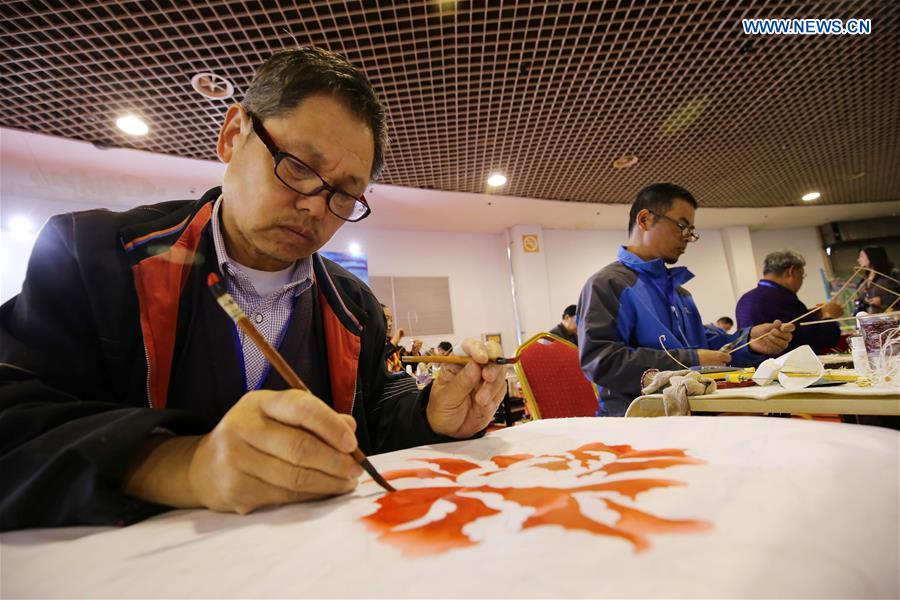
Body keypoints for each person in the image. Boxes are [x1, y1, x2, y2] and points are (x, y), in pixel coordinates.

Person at [0, 47, 508, 531]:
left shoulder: (353, 306)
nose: (314, 206)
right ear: (233, 135)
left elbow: (373, 419)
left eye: (343, 194)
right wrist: (183, 463)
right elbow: (15, 419)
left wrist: (432, 417)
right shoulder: (94, 256)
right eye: (299, 167)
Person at [577, 183, 794, 417]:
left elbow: (704, 345)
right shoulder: (609, 284)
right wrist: (691, 359)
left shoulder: (680, 293)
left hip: (695, 411)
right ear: (645, 220)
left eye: (691, 230)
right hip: (638, 418)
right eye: (681, 226)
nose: (687, 237)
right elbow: (602, 361)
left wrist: (749, 341)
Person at [736, 251, 842, 354]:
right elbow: (822, 338)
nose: (802, 281)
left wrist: (813, 314)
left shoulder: (745, 298)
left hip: (752, 364)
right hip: (784, 364)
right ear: (791, 272)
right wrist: (830, 315)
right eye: (802, 275)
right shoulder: (781, 299)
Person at [855, 246, 900, 314]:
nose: (858, 259)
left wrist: (883, 300)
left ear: (872, 256)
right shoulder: (865, 278)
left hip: (892, 315)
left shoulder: (892, 274)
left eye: (862, 256)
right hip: (871, 316)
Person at [382, 304, 404, 373]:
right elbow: (378, 359)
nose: (390, 323)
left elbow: (404, 366)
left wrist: (414, 352)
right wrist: (394, 342)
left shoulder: (389, 341)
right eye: (386, 319)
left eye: (391, 320)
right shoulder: (371, 342)